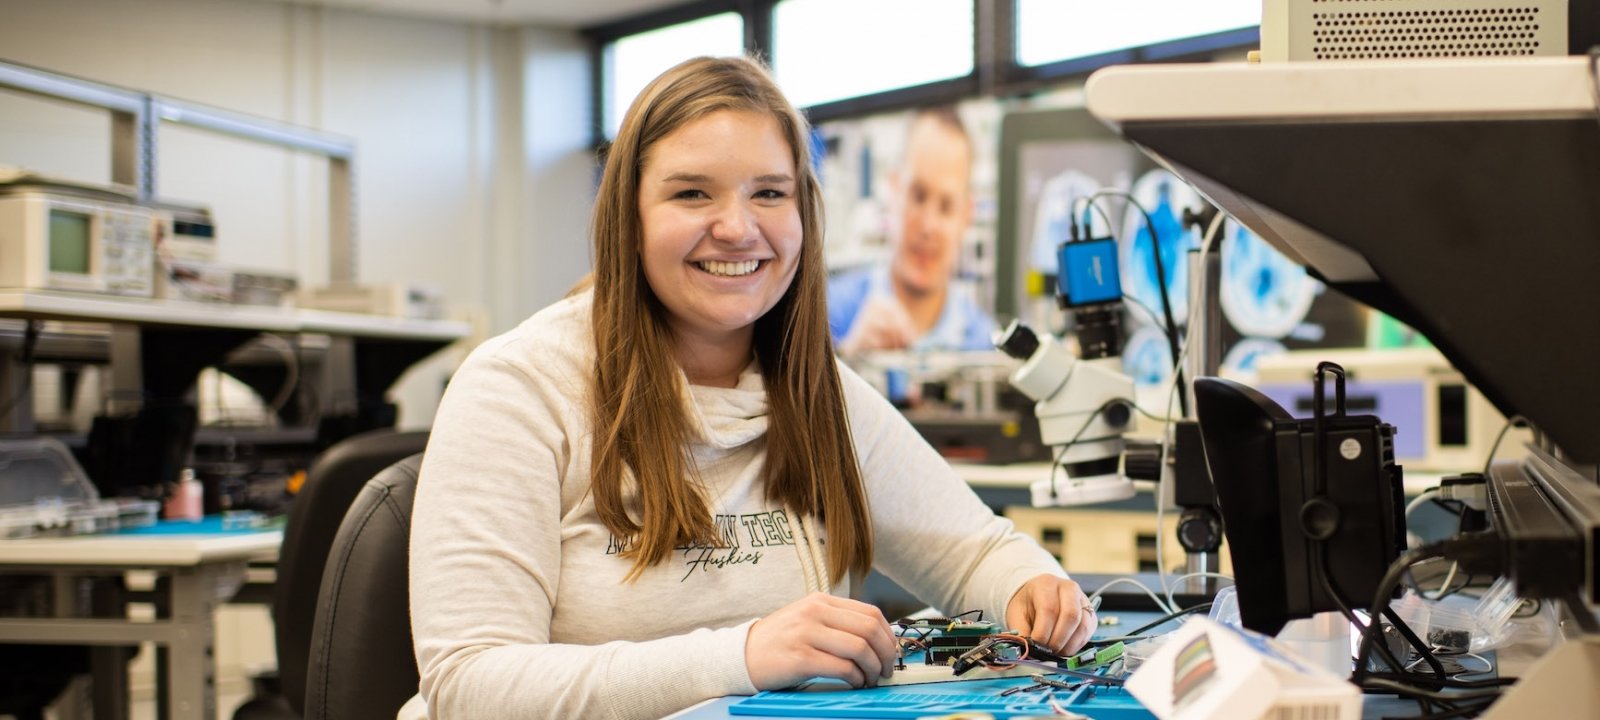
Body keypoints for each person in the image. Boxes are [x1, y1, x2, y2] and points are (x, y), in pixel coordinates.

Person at [406, 56, 1092, 719]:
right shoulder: (517, 390)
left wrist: (1032, 588)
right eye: (691, 192)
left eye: (769, 192)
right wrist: (744, 654)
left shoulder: (816, 393)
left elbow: (975, 552)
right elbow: (471, 687)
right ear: (629, 216)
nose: (737, 228)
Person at [828, 105, 996, 356]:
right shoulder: (826, 313)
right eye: (918, 196)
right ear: (894, 189)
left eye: (946, 206)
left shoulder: (983, 346)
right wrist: (846, 363)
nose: (928, 226)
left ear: (966, 216)